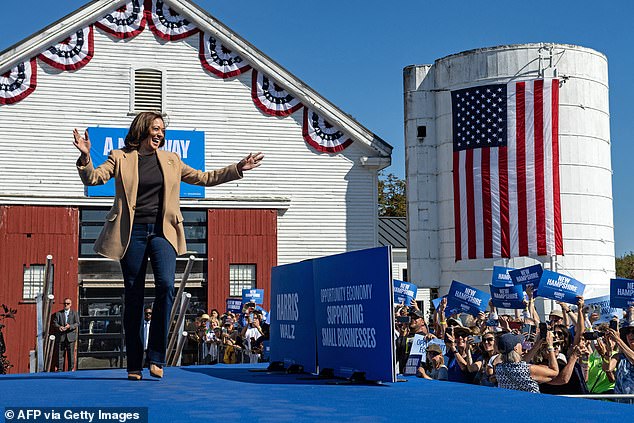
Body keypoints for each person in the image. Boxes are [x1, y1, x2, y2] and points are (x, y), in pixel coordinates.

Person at [73, 111, 263, 380]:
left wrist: (237, 168)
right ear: (142, 130)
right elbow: (94, 178)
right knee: (134, 296)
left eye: (162, 129)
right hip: (132, 233)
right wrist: (85, 156)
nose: (160, 133)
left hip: (163, 232)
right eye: (155, 128)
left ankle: (156, 356)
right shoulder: (120, 157)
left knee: (165, 285)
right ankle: (134, 364)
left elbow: (204, 178)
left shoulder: (172, 159)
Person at [493, 331, 559, 393]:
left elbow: (520, 363)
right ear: (516, 348)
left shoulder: (499, 368)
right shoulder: (528, 370)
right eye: (520, 343)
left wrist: (538, 344)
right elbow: (554, 372)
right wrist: (550, 346)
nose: (522, 345)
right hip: (531, 403)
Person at [53, 298, 79, 372]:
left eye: (67, 303)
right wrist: (59, 327)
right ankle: (60, 370)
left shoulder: (74, 313)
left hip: (70, 337)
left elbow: (77, 323)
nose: (66, 305)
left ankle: (71, 369)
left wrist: (69, 326)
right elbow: (55, 323)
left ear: (70, 304)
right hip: (61, 337)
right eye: (64, 303)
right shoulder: (58, 313)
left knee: (70, 355)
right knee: (60, 355)